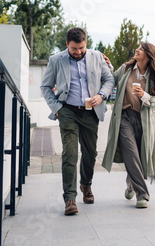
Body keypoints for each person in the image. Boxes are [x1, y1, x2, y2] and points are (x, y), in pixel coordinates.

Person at [40, 27, 114, 215]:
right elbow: (46, 86)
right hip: (68, 112)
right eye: (74, 49)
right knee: (70, 154)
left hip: (91, 112)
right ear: (67, 44)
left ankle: (85, 185)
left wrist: (101, 94)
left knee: (90, 154)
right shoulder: (56, 60)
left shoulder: (97, 57)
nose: (79, 52)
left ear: (86, 43)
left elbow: (109, 79)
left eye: (81, 48)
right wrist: (57, 108)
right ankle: (70, 199)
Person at [102, 42, 155, 208]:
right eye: (138, 48)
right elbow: (110, 79)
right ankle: (142, 194)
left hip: (143, 120)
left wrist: (144, 95)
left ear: (149, 55)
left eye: (142, 49)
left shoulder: (154, 75)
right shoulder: (125, 69)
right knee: (130, 152)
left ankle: (131, 184)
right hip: (124, 118)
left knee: (139, 156)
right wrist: (107, 65)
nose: (137, 50)